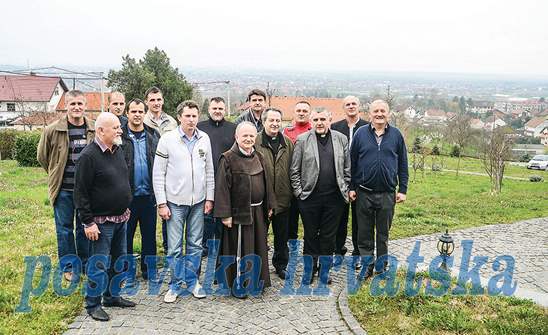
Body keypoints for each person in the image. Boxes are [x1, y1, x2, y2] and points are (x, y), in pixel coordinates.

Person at [74, 112, 136, 322]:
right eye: (116, 127)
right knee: (99, 263)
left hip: (121, 218)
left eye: (120, 126)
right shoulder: (88, 157)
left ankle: (112, 296)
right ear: (100, 131)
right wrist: (88, 222)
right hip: (100, 223)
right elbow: (80, 193)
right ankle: (93, 304)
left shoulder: (117, 150)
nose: (121, 130)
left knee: (118, 261)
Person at [153, 100, 214, 303]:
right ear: (179, 117)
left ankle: (193, 282)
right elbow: (158, 173)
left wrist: (210, 198)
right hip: (174, 203)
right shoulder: (167, 139)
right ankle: (175, 284)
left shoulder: (204, 138)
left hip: (198, 202)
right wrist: (162, 203)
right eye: (187, 116)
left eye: (194, 116)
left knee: (196, 245)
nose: (191, 120)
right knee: (175, 247)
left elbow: (209, 171)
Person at [37, 90, 93, 283]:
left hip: (87, 191)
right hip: (64, 190)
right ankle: (69, 267)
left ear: (85, 106)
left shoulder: (93, 129)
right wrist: (57, 174)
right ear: (66, 106)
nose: (76, 108)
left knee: (85, 228)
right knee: (64, 229)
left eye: (80, 104)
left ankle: (85, 264)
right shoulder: (53, 130)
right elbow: (42, 157)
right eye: (72, 104)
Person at [214, 121, 275, 297]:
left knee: (258, 247)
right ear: (236, 137)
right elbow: (222, 188)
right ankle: (238, 285)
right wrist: (225, 214)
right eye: (245, 136)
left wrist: (270, 204)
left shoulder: (259, 156)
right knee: (239, 249)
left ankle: (256, 282)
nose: (248, 139)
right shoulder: (227, 158)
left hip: (258, 212)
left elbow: (267, 183)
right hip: (238, 213)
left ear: (255, 137)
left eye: (251, 136)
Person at [290, 108, 350, 285]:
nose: (319, 123)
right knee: (310, 236)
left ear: (329, 119)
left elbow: (347, 168)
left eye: (323, 119)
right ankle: (309, 270)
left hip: (334, 199)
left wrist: (345, 189)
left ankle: (324, 271)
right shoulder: (302, 140)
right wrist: (299, 193)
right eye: (315, 119)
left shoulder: (341, 139)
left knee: (328, 237)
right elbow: (294, 170)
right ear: (311, 121)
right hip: (309, 198)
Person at [349, 99, 408, 278]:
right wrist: (351, 187)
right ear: (370, 114)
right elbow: (352, 162)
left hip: (387, 193)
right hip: (363, 192)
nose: (379, 114)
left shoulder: (396, 135)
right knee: (364, 233)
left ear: (388, 113)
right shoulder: (360, 134)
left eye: (383, 111)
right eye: (376, 111)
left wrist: (403, 189)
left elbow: (403, 164)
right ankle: (367, 266)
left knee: (383, 233)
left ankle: (381, 267)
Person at [120, 98, 160, 283]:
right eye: (133, 111)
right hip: (127, 196)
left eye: (140, 112)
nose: (137, 115)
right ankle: (127, 272)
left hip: (149, 196)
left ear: (145, 113)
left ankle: (149, 270)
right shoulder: (120, 137)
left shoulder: (153, 135)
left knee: (149, 235)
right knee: (126, 236)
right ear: (127, 113)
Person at [254, 108, 294, 279]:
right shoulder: (255, 141)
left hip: (283, 198)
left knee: (281, 237)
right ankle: (258, 266)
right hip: (261, 199)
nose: (275, 124)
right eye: (271, 120)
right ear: (264, 122)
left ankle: (280, 265)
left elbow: (293, 168)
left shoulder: (288, 143)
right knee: (259, 235)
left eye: (278, 120)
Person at [197, 97, 236, 257]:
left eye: (220, 108)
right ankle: (204, 249)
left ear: (225, 110)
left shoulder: (233, 128)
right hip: (203, 179)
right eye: (214, 108)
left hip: (226, 181)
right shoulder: (200, 127)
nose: (217, 111)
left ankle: (223, 250)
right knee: (205, 217)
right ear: (209, 110)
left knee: (222, 218)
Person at [331, 96, 368, 264]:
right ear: (343, 107)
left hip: (361, 179)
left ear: (359, 107)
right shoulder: (335, 127)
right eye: (348, 104)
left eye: (354, 104)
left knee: (359, 220)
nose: (351, 106)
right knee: (339, 218)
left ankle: (358, 253)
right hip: (340, 180)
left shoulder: (367, 127)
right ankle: (338, 251)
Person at [142, 86, 178, 254]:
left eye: (159, 99)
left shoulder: (172, 122)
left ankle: (167, 246)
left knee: (167, 210)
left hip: (169, 171)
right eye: (152, 100)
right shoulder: (141, 120)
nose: (156, 103)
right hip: (147, 170)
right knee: (148, 214)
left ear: (163, 100)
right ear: (146, 102)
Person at [283, 101, 312, 241]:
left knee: (310, 223)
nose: (301, 113)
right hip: (290, 184)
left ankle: (310, 250)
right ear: (294, 113)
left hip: (309, 184)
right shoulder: (286, 132)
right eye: (299, 110)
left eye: (305, 111)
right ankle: (292, 250)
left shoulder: (313, 131)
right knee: (290, 222)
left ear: (309, 114)